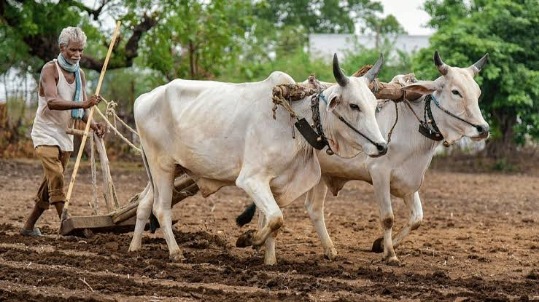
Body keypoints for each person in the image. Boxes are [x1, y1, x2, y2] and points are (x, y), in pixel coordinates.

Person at [20, 26, 106, 236]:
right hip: (45, 133)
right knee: (57, 175)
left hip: (65, 135)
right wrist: (83, 104)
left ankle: (29, 227)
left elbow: (82, 109)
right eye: (73, 50)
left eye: (80, 50)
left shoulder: (80, 75)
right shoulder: (50, 70)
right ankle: (67, 224)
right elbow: (52, 101)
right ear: (62, 47)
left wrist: (93, 124)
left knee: (51, 182)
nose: (77, 55)